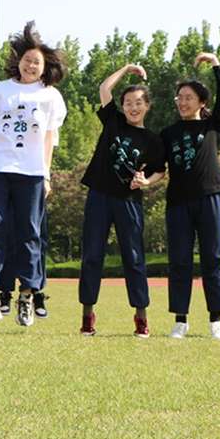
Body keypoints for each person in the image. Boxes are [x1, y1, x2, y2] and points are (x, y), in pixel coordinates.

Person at [0, 22, 67, 326]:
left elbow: (48, 139)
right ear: (18, 61)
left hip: (31, 172)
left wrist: (46, 175)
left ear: (45, 67)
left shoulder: (50, 96)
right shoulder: (0, 90)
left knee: (29, 232)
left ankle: (28, 295)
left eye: (37, 62)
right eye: (27, 60)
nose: (31, 66)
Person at [77, 64, 166, 337]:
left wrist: (146, 182)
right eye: (128, 103)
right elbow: (104, 88)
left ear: (147, 106)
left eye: (138, 103)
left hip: (128, 201)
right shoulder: (113, 121)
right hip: (99, 196)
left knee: (134, 258)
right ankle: (87, 316)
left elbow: (160, 171)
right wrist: (127, 69)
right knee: (92, 256)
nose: (133, 107)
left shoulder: (152, 140)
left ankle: (141, 317)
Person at [159, 53, 220, 340]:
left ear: (202, 102)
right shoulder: (168, 134)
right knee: (179, 262)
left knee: (214, 259)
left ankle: (216, 320)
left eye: (188, 97)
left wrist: (216, 64)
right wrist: (143, 179)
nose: (182, 102)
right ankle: (181, 321)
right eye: (179, 98)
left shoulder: (212, 126)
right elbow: (158, 168)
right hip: (178, 203)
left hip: (210, 198)